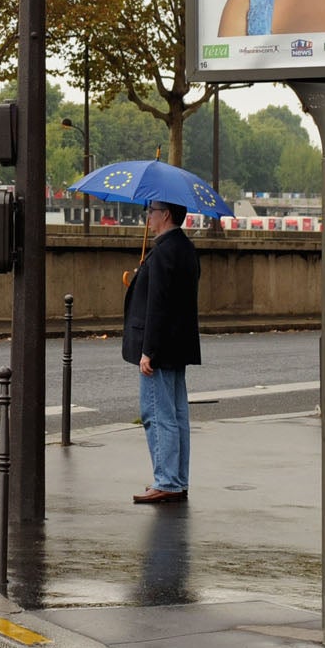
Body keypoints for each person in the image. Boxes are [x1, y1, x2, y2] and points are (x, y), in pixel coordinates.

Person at [123, 198, 202, 504]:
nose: (148, 217)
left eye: (151, 212)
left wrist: (149, 351)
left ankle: (166, 480)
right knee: (178, 415)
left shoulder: (162, 254)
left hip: (160, 348)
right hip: (179, 346)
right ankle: (177, 479)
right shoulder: (184, 249)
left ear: (166, 215)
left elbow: (158, 306)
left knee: (157, 414)